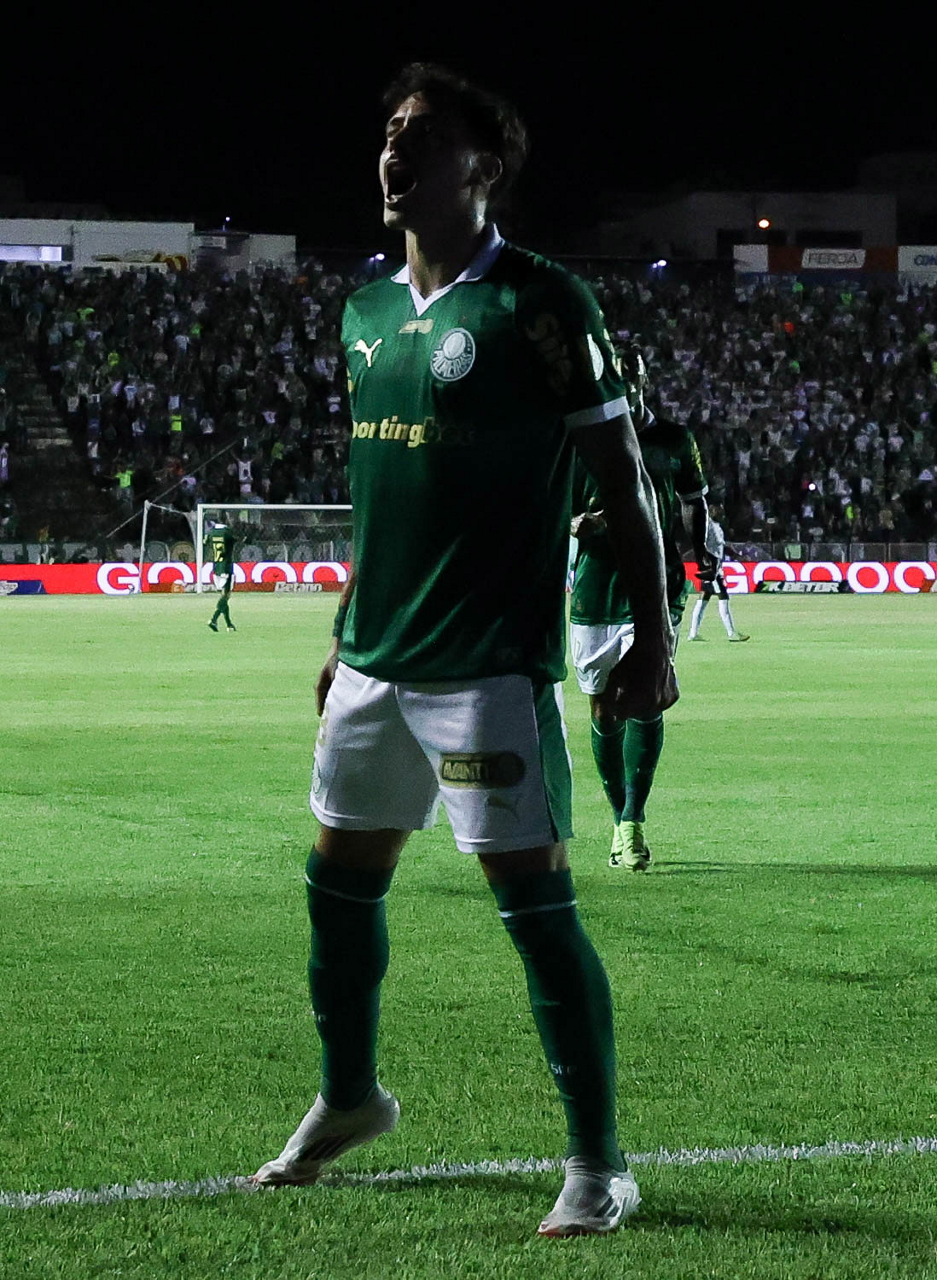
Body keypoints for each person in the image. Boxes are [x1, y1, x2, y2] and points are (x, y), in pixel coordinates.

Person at [251, 63, 678, 1238]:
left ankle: (599, 1161)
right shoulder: (364, 311)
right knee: (337, 887)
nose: (394, 152)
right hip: (372, 664)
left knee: (533, 906)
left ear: (481, 167)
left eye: (424, 137)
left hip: (486, 669)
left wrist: (652, 638)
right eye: (390, 132)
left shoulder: (540, 302)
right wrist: (343, 630)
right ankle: (350, 1097)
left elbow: (621, 479)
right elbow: (382, 493)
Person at [570, 347, 710, 870]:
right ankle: (616, 819)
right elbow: (557, 510)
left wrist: (702, 551)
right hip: (597, 587)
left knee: (647, 697)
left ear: (645, 378)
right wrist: (577, 525)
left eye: (633, 373)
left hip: (658, 585)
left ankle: (632, 822)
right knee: (604, 707)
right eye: (617, 374)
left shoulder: (674, 440)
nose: (626, 382)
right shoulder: (580, 439)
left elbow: (695, 500)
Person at [687, 515, 749, 642]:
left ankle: (693, 634)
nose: (722, 513)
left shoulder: (715, 526)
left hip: (711, 568)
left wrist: (736, 556)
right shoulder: (709, 526)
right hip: (713, 570)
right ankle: (731, 633)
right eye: (719, 508)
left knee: (703, 599)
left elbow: (722, 547)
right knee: (723, 597)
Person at [205, 520, 237, 631]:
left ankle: (229, 625)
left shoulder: (211, 532)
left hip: (216, 567)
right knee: (226, 596)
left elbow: (205, 542)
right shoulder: (228, 532)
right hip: (226, 567)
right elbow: (238, 540)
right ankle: (213, 619)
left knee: (224, 596)